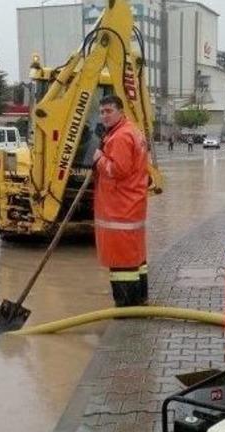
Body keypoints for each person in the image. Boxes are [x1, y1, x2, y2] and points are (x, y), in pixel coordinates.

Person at [92, 95, 150, 307]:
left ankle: (126, 307)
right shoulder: (131, 130)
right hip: (132, 203)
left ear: (120, 111)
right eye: (101, 112)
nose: (104, 116)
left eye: (109, 111)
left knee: (121, 260)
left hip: (120, 208)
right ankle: (140, 299)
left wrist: (99, 159)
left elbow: (117, 170)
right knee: (135, 257)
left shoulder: (121, 136)